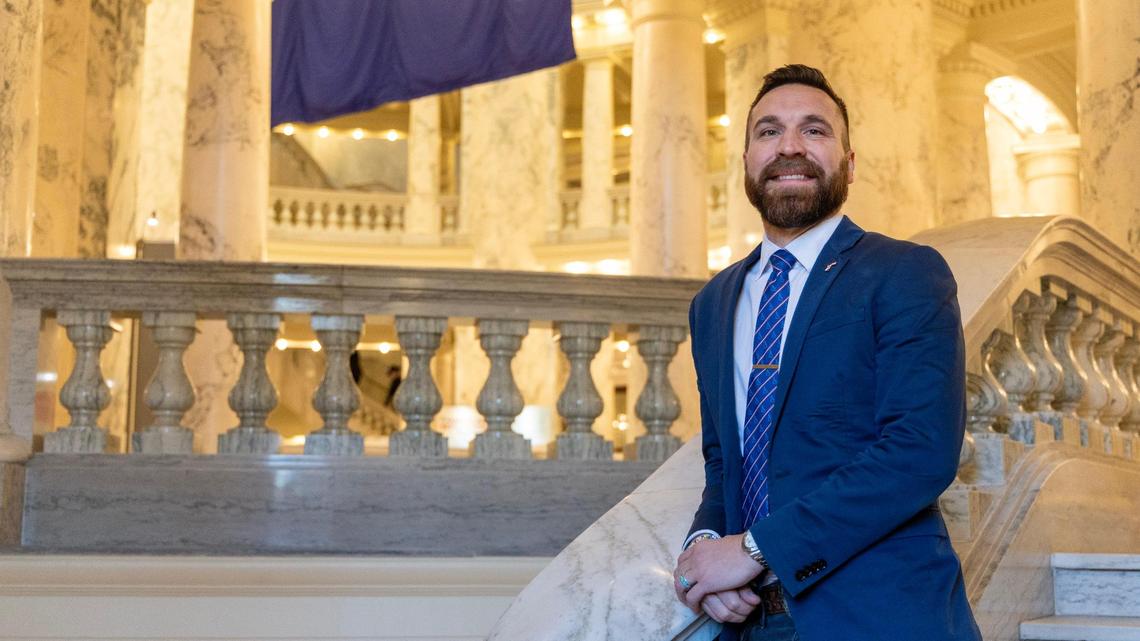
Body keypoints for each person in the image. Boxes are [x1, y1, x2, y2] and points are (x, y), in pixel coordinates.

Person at [671, 64, 981, 641]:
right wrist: (705, 553)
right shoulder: (712, 302)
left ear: (850, 162)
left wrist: (757, 549)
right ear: (745, 162)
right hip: (752, 624)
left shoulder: (904, 272)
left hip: (880, 616)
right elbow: (724, 462)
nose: (789, 146)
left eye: (814, 130)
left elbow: (920, 452)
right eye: (768, 132)